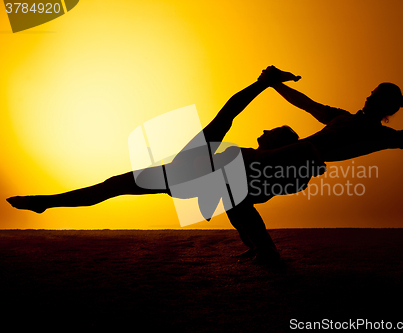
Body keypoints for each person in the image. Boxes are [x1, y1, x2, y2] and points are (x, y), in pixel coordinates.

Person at [7, 68, 322, 263]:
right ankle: (261, 249)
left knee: (115, 186)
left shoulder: (263, 162)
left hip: (191, 173)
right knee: (116, 186)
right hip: (194, 172)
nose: (264, 130)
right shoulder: (259, 165)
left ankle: (45, 203)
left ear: (276, 143)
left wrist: (263, 84)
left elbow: (231, 114)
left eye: (271, 132)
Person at [258, 66, 403, 162]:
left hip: (299, 162)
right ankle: (263, 249)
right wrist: (274, 84)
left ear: (386, 107)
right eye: (371, 93)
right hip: (287, 154)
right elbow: (307, 103)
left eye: (376, 96)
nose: (369, 97)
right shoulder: (341, 116)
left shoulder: (381, 136)